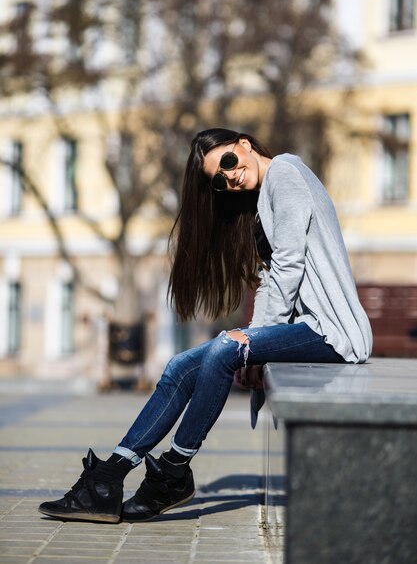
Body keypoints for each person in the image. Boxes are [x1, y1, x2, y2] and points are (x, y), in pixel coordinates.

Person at [38, 128, 372, 523]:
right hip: (304, 329)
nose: (230, 177)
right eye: (219, 178)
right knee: (180, 365)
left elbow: (289, 267)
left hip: (332, 331)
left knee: (224, 348)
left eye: (228, 162)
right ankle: (107, 480)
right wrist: (254, 338)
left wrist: (252, 341)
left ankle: (174, 471)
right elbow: (269, 281)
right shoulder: (262, 200)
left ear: (244, 145)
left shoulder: (285, 171)